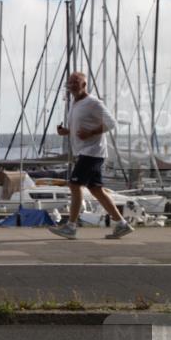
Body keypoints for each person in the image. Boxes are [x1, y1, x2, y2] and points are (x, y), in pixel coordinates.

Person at [48, 71, 133, 240]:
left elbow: (111, 123)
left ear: (84, 85)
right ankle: (122, 224)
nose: (72, 85)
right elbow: (80, 128)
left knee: (74, 185)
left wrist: (91, 133)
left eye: (76, 82)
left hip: (93, 152)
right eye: (70, 82)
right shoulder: (75, 103)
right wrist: (66, 132)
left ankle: (71, 227)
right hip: (86, 152)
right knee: (96, 190)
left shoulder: (93, 102)